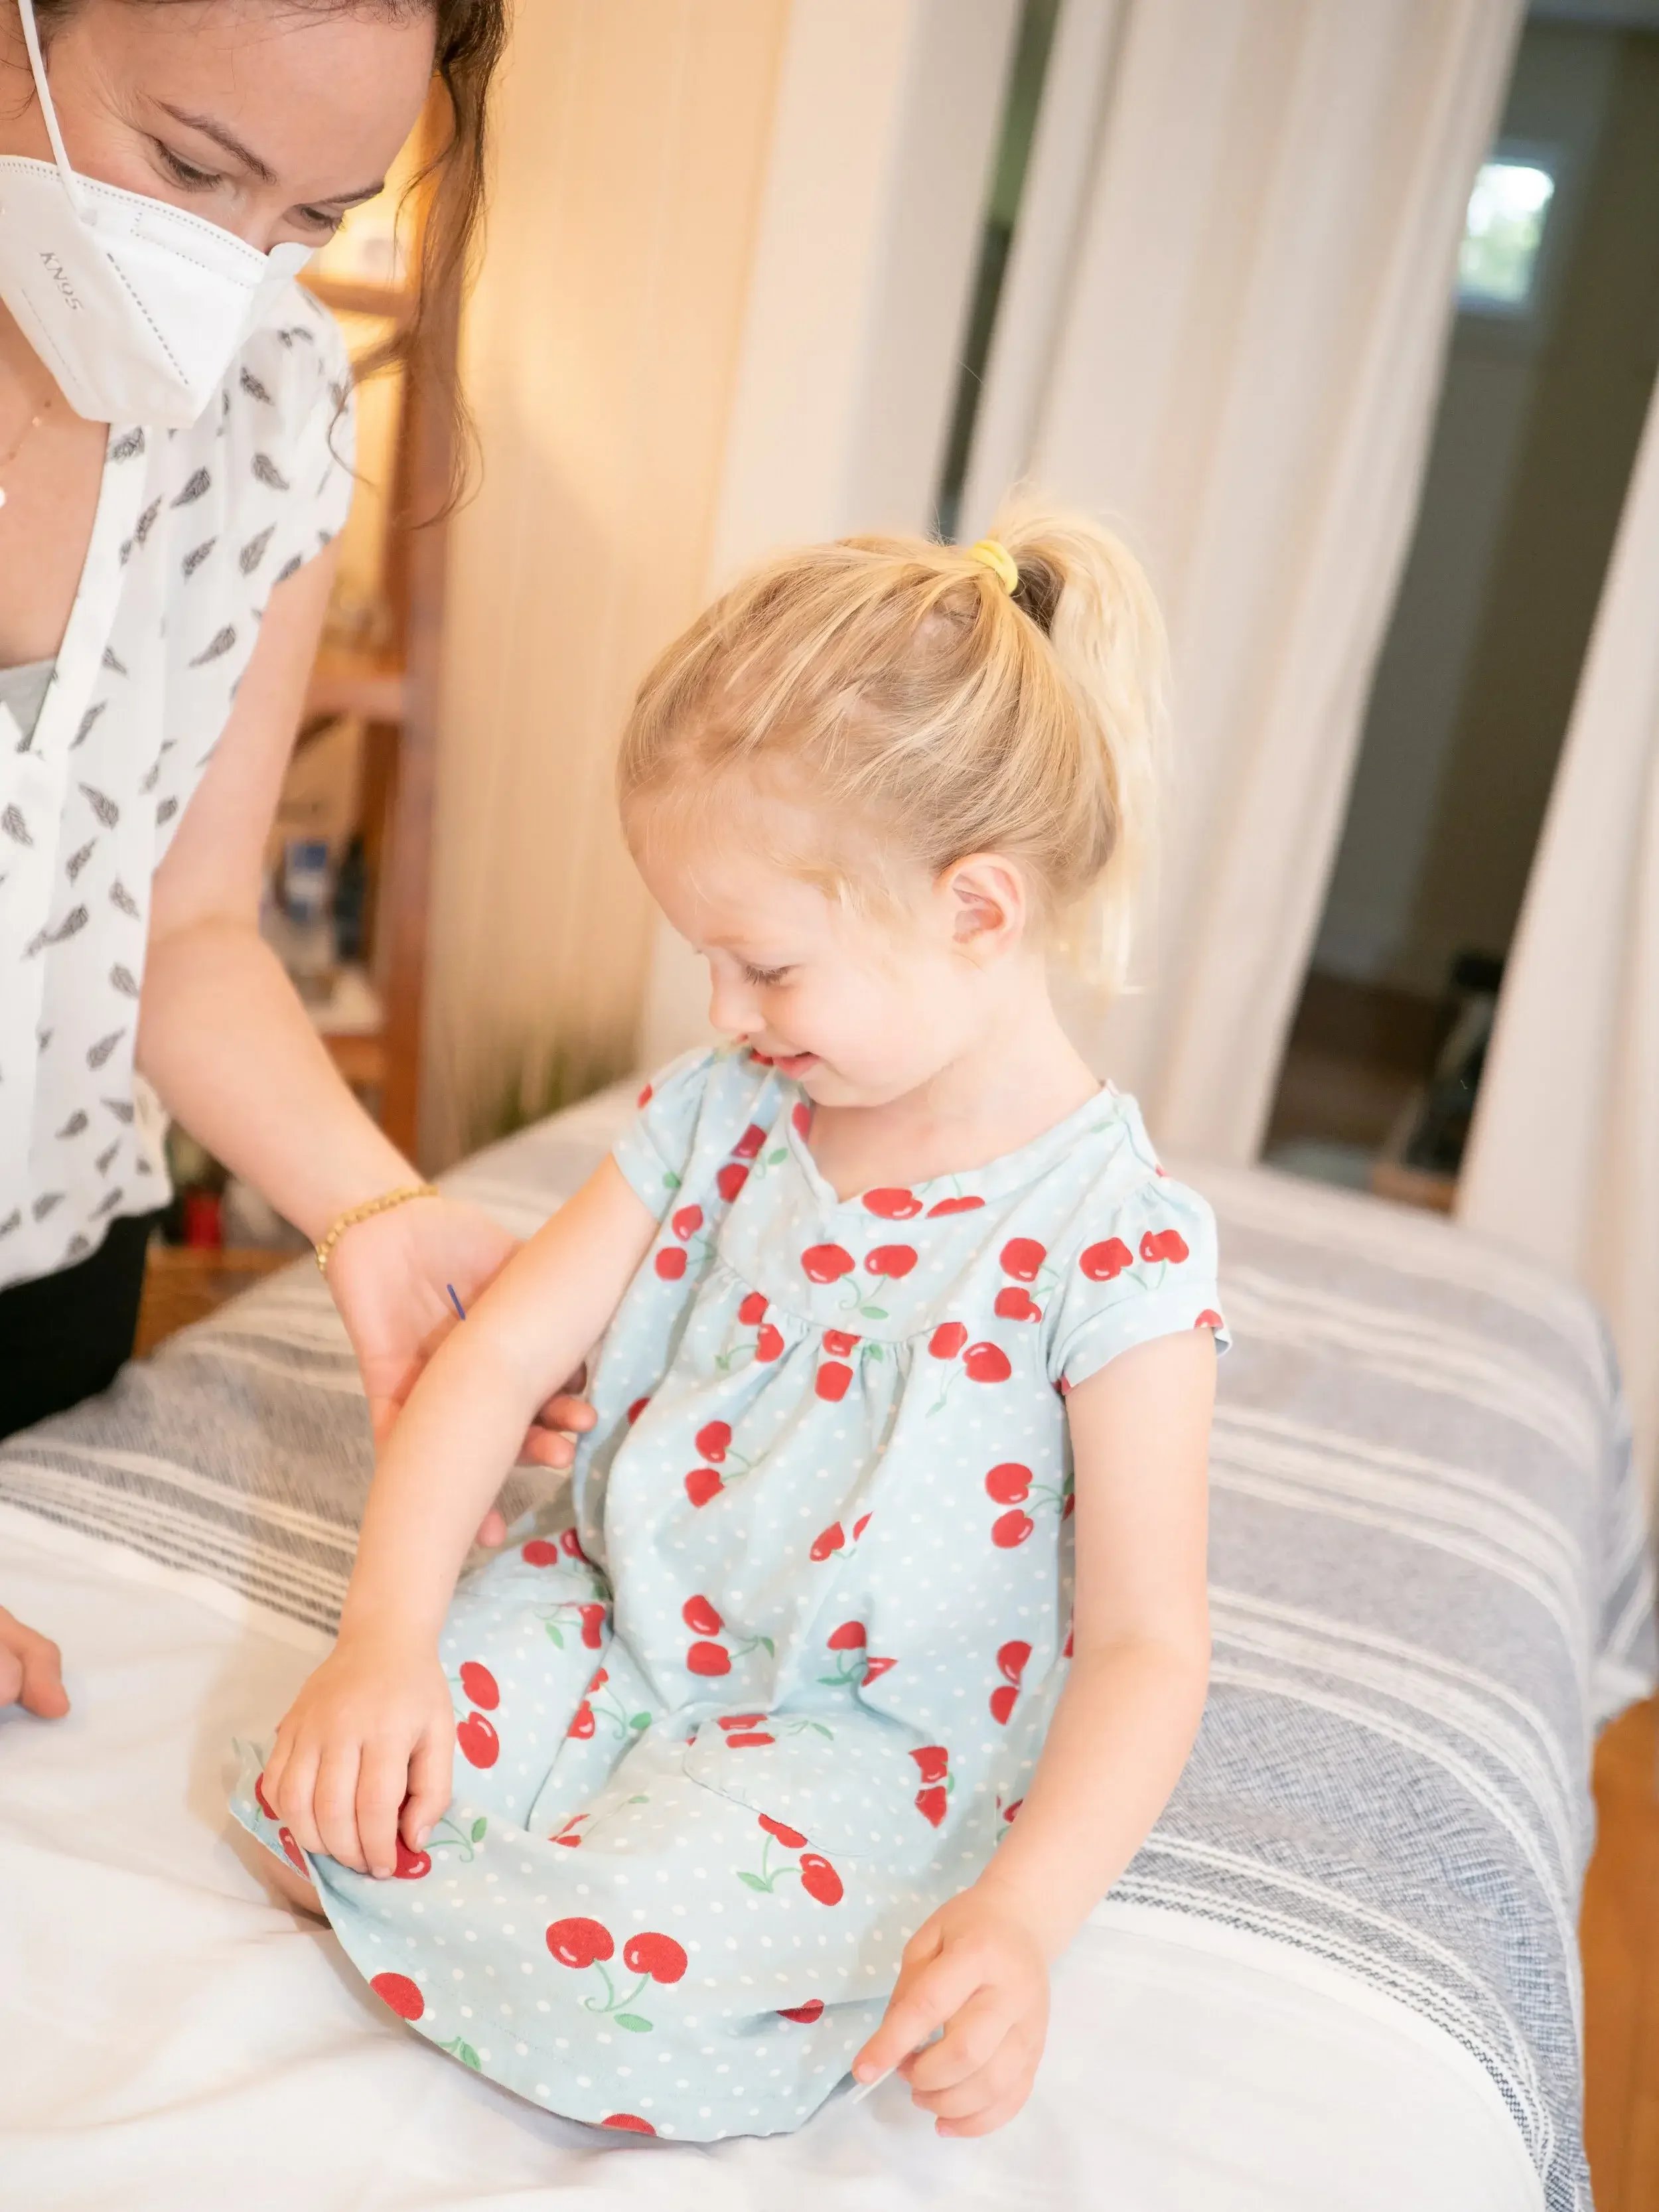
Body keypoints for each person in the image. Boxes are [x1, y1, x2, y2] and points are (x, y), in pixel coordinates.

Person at [238, 509, 1226, 2142]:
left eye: (763, 964)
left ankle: (530, 1946)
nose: (720, 1013)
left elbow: (1144, 1643)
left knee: (623, 1962)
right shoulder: (721, 1109)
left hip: (858, 1736)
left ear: (978, 909)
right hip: (610, 1607)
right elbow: (489, 1357)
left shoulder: (1113, 1245)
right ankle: (458, 1897)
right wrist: (384, 1643)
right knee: (321, 1794)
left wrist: (1019, 1922)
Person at [0, 0, 588, 1711]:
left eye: (320, 215)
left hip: (47, 1289)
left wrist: (375, 1215)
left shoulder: (271, 409)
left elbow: (183, 933)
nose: (235, 264)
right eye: (191, 163)